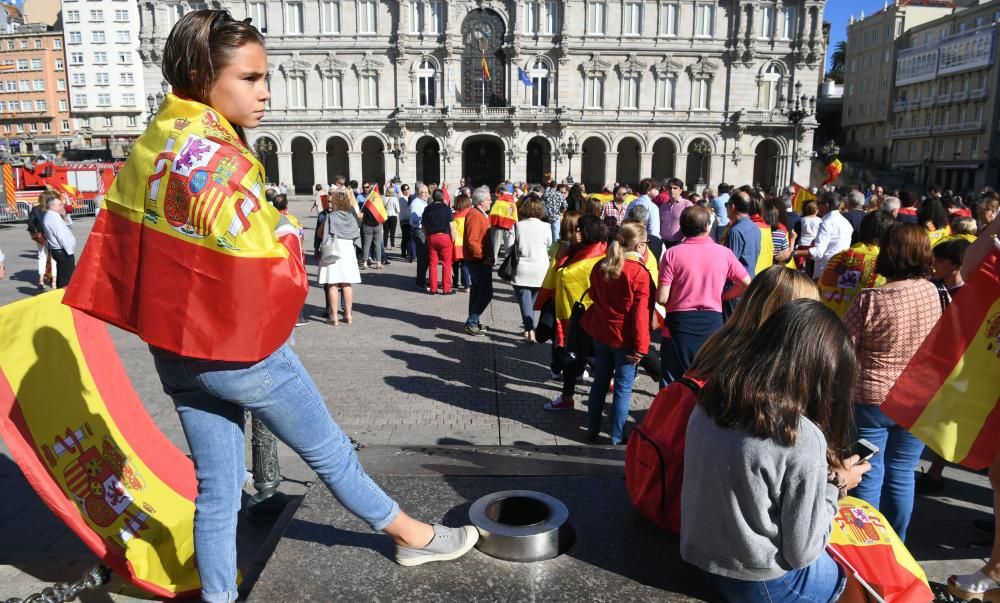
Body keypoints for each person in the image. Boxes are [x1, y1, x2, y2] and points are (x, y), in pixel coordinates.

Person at [66, 13, 479, 601]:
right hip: (238, 352)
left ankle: (218, 597)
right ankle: (412, 535)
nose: (264, 92)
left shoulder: (157, 140)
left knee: (216, 489)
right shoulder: (214, 155)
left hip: (175, 350)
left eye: (266, 78)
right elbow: (266, 256)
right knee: (330, 451)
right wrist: (287, 229)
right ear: (201, 74)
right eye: (251, 77)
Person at [682, 299, 870, 603]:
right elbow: (802, 551)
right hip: (758, 580)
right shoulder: (801, 434)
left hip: (697, 556)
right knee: (856, 584)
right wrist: (837, 485)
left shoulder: (712, 397)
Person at [845, 223, 942, 541]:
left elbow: (844, 346)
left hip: (872, 399)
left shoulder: (870, 300)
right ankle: (897, 542)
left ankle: (869, 546)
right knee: (903, 472)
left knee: (868, 472)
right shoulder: (932, 292)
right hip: (917, 399)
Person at [658, 205, 750, 385]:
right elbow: (746, 284)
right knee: (704, 375)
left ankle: (670, 412)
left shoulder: (672, 254)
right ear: (707, 226)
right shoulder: (724, 253)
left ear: (682, 227)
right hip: (712, 319)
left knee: (672, 378)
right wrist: (723, 297)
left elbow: (662, 297)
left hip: (678, 321)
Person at [580, 222, 652, 444]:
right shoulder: (639, 273)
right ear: (640, 246)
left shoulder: (602, 264)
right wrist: (642, 348)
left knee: (600, 381)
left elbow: (593, 293)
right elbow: (641, 315)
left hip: (602, 331)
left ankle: (592, 427)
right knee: (622, 388)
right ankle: (616, 435)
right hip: (626, 338)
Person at [542, 215, 607, 411]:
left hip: (579, 314)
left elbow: (563, 275)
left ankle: (568, 397)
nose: (575, 233)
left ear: (588, 232)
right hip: (578, 313)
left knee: (576, 356)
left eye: (579, 229)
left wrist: (563, 254)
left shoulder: (594, 257)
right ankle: (569, 395)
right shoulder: (586, 250)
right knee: (585, 356)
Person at [817, 210, 894, 317]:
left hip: (827, 322)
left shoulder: (837, 258)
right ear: (888, 236)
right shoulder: (883, 264)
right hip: (857, 328)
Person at [511, 196, 553, 343]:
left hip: (522, 268)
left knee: (525, 301)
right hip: (541, 268)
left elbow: (508, 246)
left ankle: (530, 330)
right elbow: (549, 245)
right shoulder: (546, 226)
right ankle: (528, 328)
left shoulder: (517, 226)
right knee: (530, 301)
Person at [795, 193, 853, 279]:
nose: (817, 207)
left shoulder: (827, 222)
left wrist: (794, 253)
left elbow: (818, 252)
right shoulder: (846, 223)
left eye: (818, 204)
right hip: (840, 270)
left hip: (825, 270)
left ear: (826, 205)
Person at [463, 186, 494, 335]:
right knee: (486, 292)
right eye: (488, 199)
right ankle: (472, 322)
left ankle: (473, 321)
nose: (491, 201)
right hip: (478, 261)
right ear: (481, 202)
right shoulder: (475, 215)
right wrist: (483, 257)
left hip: (480, 260)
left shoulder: (479, 214)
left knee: (477, 292)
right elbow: (472, 241)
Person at [422, 189, 456, 294]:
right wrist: (452, 239)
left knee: (433, 264)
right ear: (442, 197)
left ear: (432, 197)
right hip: (444, 237)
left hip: (432, 237)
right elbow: (452, 227)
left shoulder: (427, 209)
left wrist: (427, 236)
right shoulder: (446, 209)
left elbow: (423, 226)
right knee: (447, 264)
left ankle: (433, 288)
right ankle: (446, 289)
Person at [42, 194, 76, 288]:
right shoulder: (53, 217)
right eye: (60, 205)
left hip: (61, 250)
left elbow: (70, 226)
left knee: (64, 274)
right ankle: (63, 296)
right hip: (63, 251)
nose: (63, 206)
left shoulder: (55, 215)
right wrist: (69, 251)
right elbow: (62, 236)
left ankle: (63, 293)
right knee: (66, 278)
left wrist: (65, 216)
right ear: (52, 207)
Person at [27, 191, 57, 288]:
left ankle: (41, 279)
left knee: (42, 256)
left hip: (40, 237)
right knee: (53, 258)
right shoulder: (53, 209)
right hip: (53, 236)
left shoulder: (35, 209)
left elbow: (30, 223)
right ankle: (54, 281)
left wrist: (36, 233)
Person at [658, 177, 692, 248]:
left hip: (679, 243)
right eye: (670, 188)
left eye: (675, 188)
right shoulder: (663, 207)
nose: (672, 190)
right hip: (663, 242)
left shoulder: (687, 205)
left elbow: (690, 224)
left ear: (680, 190)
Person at [359, 184, 384, 270]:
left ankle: (365, 263)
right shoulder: (379, 201)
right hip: (377, 225)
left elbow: (361, 216)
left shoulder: (366, 203)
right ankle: (378, 263)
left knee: (367, 244)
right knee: (378, 244)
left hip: (367, 226)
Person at [451, 193, 473, 292]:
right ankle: (466, 285)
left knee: (455, 265)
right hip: (466, 243)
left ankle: (455, 283)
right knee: (465, 265)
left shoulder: (453, 215)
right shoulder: (470, 214)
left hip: (456, 243)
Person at [410, 184, 430, 288]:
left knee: (425, 257)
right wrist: (425, 218)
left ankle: (422, 278)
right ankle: (420, 282)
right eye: (423, 192)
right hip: (419, 231)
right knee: (423, 257)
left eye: (427, 192)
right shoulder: (416, 203)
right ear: (418, 193)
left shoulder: (424, 202)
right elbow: (414, 219)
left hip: (423, 230)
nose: (426, 194)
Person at [540, 178, 567, 243]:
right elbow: (565, 205)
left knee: (546, 235)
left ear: (550, 186)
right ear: (556, 187)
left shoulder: (545, 194)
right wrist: (561, 212)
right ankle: (555, 249)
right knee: (556, 235)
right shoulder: (559, 194)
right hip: (556, 216)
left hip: (546, 217)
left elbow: (540, 204)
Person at [383, 181, 400, 249]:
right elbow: (398, 210)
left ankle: (385, 245)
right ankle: (392, 245)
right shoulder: (395, 199)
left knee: (386, 232)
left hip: (385, 216)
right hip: (393, 216)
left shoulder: (383, 199)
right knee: (392, 232)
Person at [398, 183, 412, 260]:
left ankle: (408, 253)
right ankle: (404, 252)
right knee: (405, 237)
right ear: (402, 191)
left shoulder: (411, 197)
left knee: (409, 237)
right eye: (404, 189)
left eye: (407, 189)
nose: (406, 191)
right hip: (404, 219)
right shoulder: (401, 199)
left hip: (410, 220)